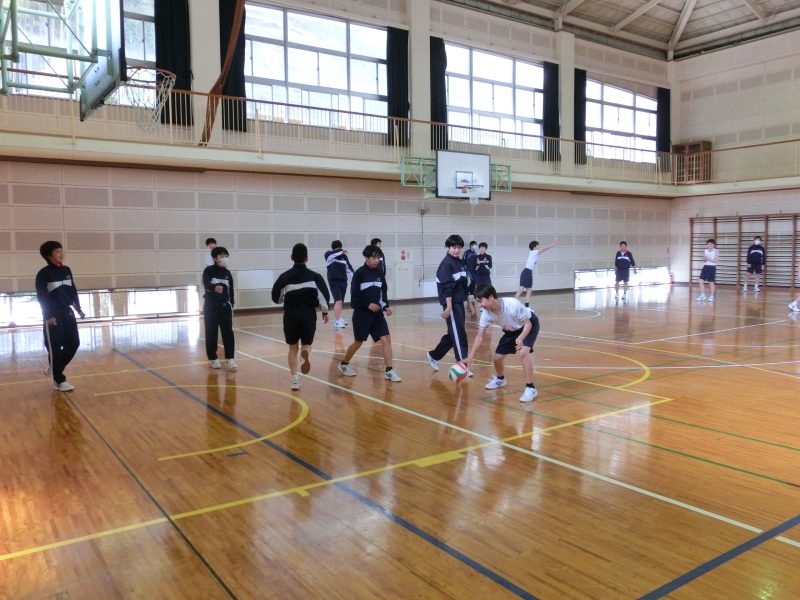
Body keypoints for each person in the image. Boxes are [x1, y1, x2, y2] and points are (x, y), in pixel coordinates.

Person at [464, 284, 540, 403]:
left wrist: (521, 338)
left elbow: (528, 324)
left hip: (528, 325)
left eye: (480, 301)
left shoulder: (512, 304)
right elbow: (480, 336)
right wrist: (470, 357)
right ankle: (500, 379)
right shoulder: (486, 314)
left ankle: (531, 388)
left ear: (490, 297)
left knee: (523, 353)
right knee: (497, 358)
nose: (479, 305)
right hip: (511, 330)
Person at [337, 244, 401, 382]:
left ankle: (389, 371)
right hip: (362, 315)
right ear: (366, 257)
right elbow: (354, 300)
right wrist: (368, 305)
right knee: (358, 342)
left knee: (386, 339)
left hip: (377, 315)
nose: (376, 260)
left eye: (378, 258)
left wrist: (385, 306)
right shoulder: (359, 274)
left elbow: (383, 292)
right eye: (373, 258)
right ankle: (343, 364)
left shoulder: (380, 273)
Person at [271, 243, 331, 390]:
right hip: (308, 313)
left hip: (291, 314)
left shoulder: (285, 276)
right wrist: (324, 311)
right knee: (307, 344)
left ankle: (294, 380)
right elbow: (324, 296)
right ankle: (305, 353)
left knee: (292, 347)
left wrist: (285, 297)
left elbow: (276, 298)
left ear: (291, 257)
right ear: (307, 258)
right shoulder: (315, 276)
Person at [36, 241, 85, 392]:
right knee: (55, 349)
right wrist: (48, 315)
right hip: (53, 315)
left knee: (74, 343)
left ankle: (53, 368)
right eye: (57, 251)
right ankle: (59, 380)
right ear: (49, 256)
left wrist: (78, 309)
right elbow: (42, 297)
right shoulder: (43, 274)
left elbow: (72, 291)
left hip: (68, 313)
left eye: (61, 251)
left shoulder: (66, 270)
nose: (61, 254)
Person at [426, 234, 475, 371]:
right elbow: (446, 288)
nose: (456, 250)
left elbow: (464, 286)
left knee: (454, 333)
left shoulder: (460, 263)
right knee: (459, 334)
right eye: (454, 247)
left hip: (459, 302)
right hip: (451, 303)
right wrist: (448, 307)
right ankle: (463, 365)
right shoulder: (446, 264)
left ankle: (434, 355)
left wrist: (470, 303)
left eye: (459, 247)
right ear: (448, 247)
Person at [203, 246, 237, 370]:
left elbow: (231, 291)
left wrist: (231, 303)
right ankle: (213, 358)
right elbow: (206, 284)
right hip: (211, 307)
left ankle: (230, 358)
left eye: (226, 256)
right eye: (221, 256)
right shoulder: (208, 271)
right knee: (211, 333)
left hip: (225, 307)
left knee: (228, 333)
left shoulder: (228, 273)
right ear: (214, 258)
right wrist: (214, 288)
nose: (224, 258)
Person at [515, 239, 558, 308]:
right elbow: (544, 248)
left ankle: (527, 307)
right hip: (526, 272)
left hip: (529, 272)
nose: (539, 246)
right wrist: (554, 243)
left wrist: (541, 246)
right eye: (538, 245)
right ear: (535, 247)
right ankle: (512, 304)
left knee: (529, 290)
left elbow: (543, 248)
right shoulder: (534, 252)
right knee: (521, 289)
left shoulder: (535, 252)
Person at [324, 240, 355, 329]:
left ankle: (338, 318)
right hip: (334, 281)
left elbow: (349, 268)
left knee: (340, 301)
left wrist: (355, 278)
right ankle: (337, 322)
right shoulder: (328, 255)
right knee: (338, 301)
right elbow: (331, 254)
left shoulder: (344, 257)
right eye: (338, 248)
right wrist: (341, 251)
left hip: (343, 281)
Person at [697, 238, 718, 303]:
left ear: (713, 245)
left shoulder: (716, 251)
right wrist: (704, 259)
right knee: (700, 281)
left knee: (711, 283)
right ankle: (702, 295)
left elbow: (716, 260)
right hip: (705, 267)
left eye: (710, 244)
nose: (709, 245)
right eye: (708, 244)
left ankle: (712, 297)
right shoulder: (705, 250)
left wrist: (708, 259)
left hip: (712, 267)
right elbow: (704, 260)